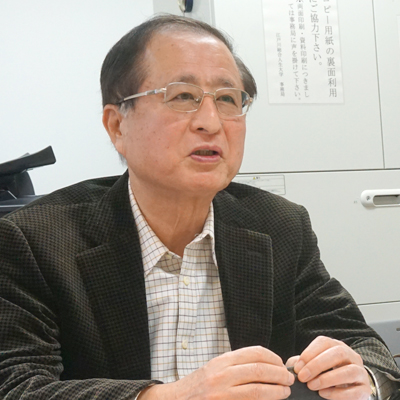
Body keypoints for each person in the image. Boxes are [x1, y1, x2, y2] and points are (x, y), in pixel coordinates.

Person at [0, 14, 399, 400]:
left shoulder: (279, 226)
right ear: (117, 126)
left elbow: (365, 348)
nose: (211, 122)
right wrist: (170, 397)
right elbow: (16, 386)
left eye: (227, 99)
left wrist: (361, 377)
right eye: (183, 96)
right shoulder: (35, 241)